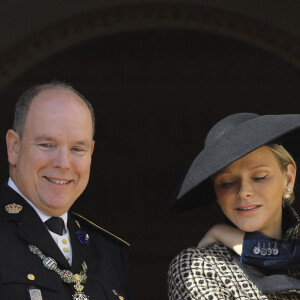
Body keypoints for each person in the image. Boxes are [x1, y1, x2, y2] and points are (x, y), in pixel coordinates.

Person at [1, 82, 132, 299]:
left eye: (77, 149)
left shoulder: (108, 252)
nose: (63, 163)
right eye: (46, 145)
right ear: (14, 146)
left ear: (91, 152)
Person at [168, 113, 300, 299]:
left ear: (288, 179)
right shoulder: (198, 266)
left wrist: (240, 241)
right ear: (216, 192)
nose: (243, 192)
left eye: (260, 177)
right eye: (227, 182)